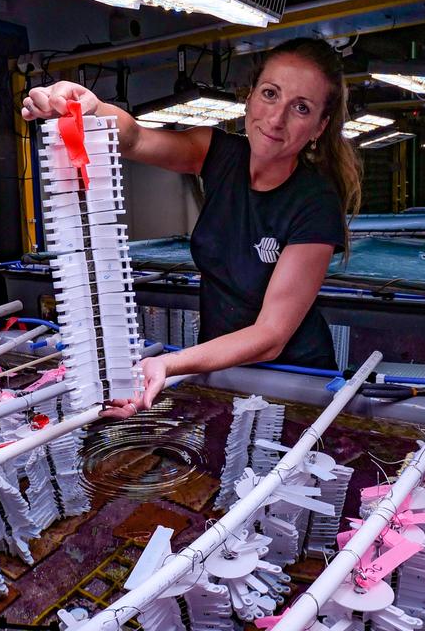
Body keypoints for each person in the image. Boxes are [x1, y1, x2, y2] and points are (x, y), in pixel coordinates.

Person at [21, 37, 361, 419]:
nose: (276, 118)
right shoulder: (219, 153)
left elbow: (270, 336)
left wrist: (170, 363)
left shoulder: (315, 202)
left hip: (295, 381)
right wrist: (90, 107)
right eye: (270, 94)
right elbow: (134, 138)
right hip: (219, 368)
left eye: (301, 108)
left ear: (319, 127)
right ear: (249, 97)